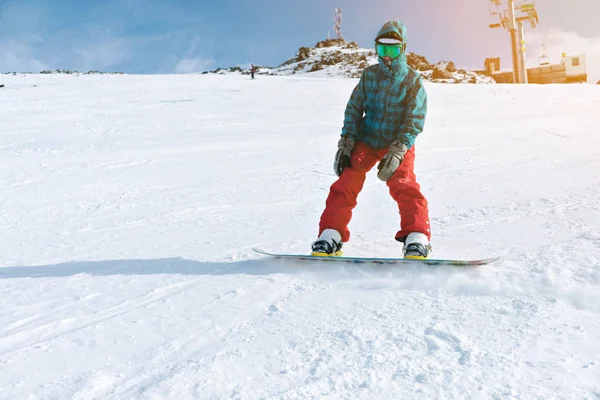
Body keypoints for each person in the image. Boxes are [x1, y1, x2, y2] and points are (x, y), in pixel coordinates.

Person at [311, 20, 431, 259]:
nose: (387, 56)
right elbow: (354, 109)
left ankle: (417, 236)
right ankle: (331, 234)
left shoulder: (412, 80)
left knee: (403, 182)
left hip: (397, 142)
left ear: (403, 49)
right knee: (347, 181)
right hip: (367, 139)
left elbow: (415, 118)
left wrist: (398, 150)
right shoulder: (369, 76)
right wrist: (346, 143)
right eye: (382, 49)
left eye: (393, 50)